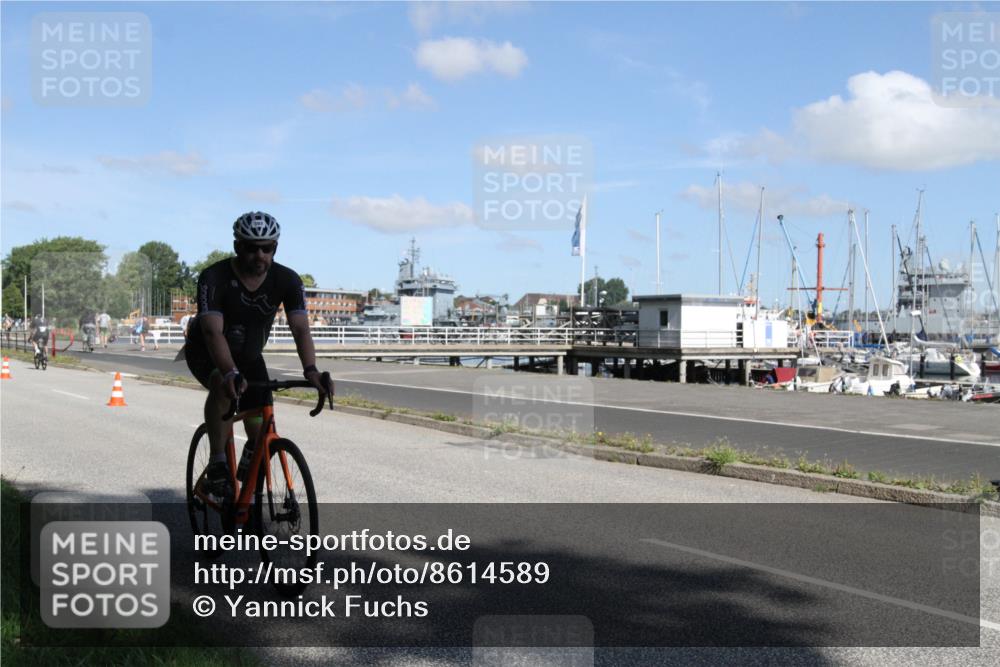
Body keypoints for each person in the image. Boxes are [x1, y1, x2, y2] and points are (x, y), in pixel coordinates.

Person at [183, 211, 331, 499]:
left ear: (275, 247)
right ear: (238, 246)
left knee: (259, 428)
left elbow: (300, 329)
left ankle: (245, 490)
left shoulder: (287, 279)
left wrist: (311, 370)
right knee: (222, 385)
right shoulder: (214, 277)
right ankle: (217, 465)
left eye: (267, 248)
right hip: (208, 353)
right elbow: (213, 333)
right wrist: (228, 373)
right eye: (251, 247)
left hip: (249, 357)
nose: (260, 255)